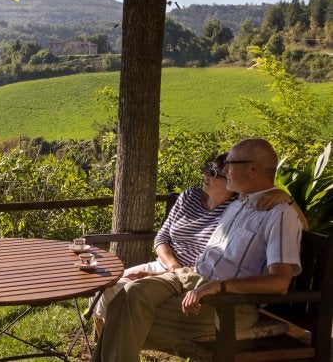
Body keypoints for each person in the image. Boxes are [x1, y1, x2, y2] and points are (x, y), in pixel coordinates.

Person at [92, 138, 304, 362]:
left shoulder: (280, 214)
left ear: (253, 168)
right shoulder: (236, 204)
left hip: (228, 302)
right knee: (130, 293)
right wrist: (163, 272)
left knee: (120, 314)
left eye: (230, 163)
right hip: (188, 275)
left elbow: (279, 283)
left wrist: (218, 286)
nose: (223, 169)